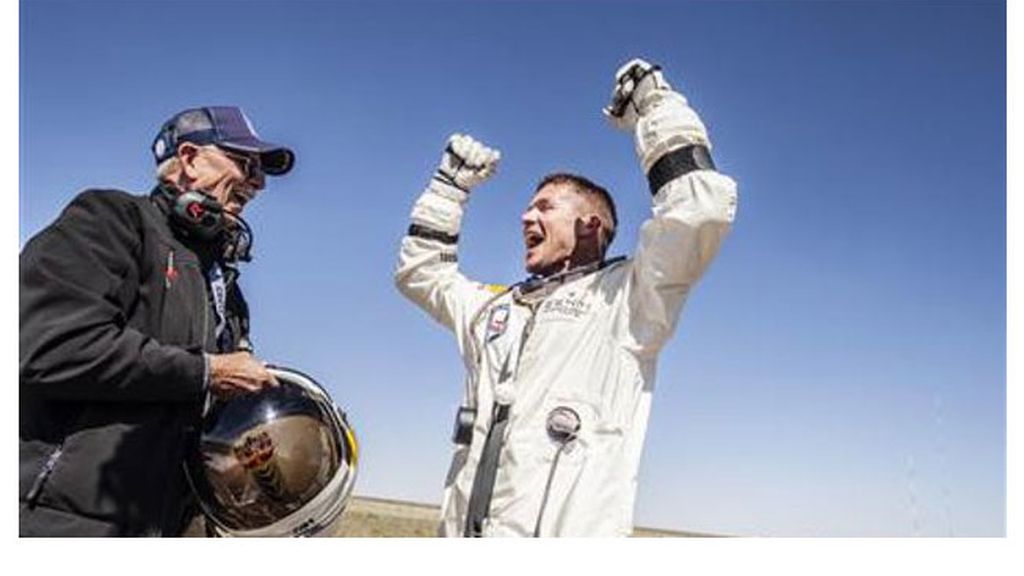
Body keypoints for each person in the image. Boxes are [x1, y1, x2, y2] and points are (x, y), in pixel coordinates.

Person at [395, 59, 738, 536]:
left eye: (545, 207)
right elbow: (421, 274)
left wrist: (655, 106)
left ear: (590, 226)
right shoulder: (495, 310)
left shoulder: (629, 300)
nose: (525, 217)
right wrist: (448, 187)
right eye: (527, 208)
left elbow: (699, 210)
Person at [19, 106, 293, 536]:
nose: (258, 182)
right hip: (64, 523)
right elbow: (46, 346)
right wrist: (207, 371)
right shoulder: (111, 220)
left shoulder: (228, 290)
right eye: (246, 163)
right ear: (190, 158)